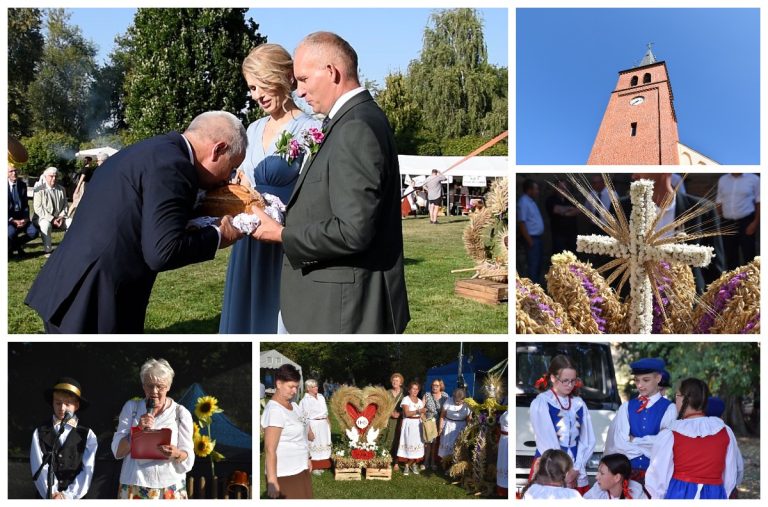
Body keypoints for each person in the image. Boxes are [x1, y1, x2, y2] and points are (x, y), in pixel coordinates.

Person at [25, 111, 246, 333]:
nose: (229, 177)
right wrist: (218, 234)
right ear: (218, 149)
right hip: (95, 300)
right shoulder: (175, 166)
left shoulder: (149, 150)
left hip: (67, 284)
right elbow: (163, 252)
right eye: (232, 166)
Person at [250, 31, 410, 334]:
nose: (297, 90)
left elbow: (353, 231)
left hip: (343, 307)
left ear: (331, 72)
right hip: (339, 301)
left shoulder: (355, 127)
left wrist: (282, 234)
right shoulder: (351, 119)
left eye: (303, 79)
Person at [219, 44, 321, 334]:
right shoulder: (251, 130)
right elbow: (243, 180)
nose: (256, 95)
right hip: (249, 242)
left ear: (282, 78)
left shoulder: (310, 129)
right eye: (251, 88)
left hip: (282, 242)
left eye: (261, 85)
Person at [626, 173, 725, 293]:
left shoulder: (703, 210)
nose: (634, 175)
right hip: (635, 298)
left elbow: (714, 268)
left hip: (688, 299)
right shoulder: (623, 208)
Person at [645, 378, 742, 499]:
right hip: (715, 494)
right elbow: (730, 476)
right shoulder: (725, 431)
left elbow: (657, 478)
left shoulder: (670, 434)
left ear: (684, 399)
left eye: (677, 396)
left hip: (679, 494)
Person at [111, 359, 194, 499]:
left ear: (168, 386)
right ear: (143, 386)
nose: (154, 391)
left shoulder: (180, 413)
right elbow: (117, 452)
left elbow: (188, 456)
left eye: (160, 386)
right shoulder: (131, 408)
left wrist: (176, 453)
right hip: (134, 485)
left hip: (170, 488)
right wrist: (137, 430)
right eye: (149, 386)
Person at [529, 354, 595, 494]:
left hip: (575, 471)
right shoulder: (542, 402)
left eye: (573, 381)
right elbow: (546, 441)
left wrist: (576, 469)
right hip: (550, 470)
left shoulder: (579, 404)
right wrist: (564, 472)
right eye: (565, 381)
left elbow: (587, 440)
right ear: (553, 378)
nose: (570, 385)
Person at [604, 358, 677, 484]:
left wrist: (634, 440)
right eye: (637, 380)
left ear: (658, 379)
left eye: (646, 380)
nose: (640, 385)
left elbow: (664, 444)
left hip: (658, 476)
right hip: (628, 474)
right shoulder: (626, 407)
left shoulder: (669, 408)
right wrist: (649, 445)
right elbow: (620, 445)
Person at [30, 377, 97, 499]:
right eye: (58, 402)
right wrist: (51, 493)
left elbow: (88, 470)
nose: (62, 408)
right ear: (52, 402)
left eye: (67, 403)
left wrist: (67, 496)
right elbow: (38, 465)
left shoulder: (87, 434)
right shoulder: (40, 432)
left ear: (76, 405)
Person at [262, 364, 313, 499]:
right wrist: (272, 481)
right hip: (285, 473)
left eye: (296, 387)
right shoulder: (274, 410)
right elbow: (270, 449)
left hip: (300, 468)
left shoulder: (294, 406)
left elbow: (301, 436)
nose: (295, 391)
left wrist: (307, 457)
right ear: (279, 384)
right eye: (291, 387)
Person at [716, 173, 760, 270]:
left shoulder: (754, 179)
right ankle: (732, 284)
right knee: (730, 256)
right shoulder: (723, 179)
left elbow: (759, 202)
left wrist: (755, 223)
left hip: (746, 222)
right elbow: (719, 202)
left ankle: (750, 283)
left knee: (749, 255)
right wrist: (718, 223)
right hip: (727, 223)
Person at [33, 166, 69, 256]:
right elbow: (38, 208)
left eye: (56, 176)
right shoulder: (39, 189)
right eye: (51, 176)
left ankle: (66, 247)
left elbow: (65, 205)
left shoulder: (62, 189)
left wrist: (61, 216)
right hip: (42, 217)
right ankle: (48, 250)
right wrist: (52, 219)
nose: (54, 178)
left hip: (59, 217)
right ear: (45, 177)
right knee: (46, 225)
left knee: (71, 222)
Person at [299, 379, 331, 475]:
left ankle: (322, 464)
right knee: (314, 444)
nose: (316, 388)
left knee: (324, 443)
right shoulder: (305, 401)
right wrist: (309, 431)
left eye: (316, 386)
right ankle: (314, 467)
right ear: (308, 389)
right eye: (313, 387)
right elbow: (304, 418)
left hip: (323, 424)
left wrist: (328, 422)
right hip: (313, 425)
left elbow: (325, 412)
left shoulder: (321, 397)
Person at [583, 453, 648, 499]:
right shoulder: (597, 490)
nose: (596, 477)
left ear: (617, 478)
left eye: (602, 473)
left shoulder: (636, 492)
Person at [517, 178, 544, 285]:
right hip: (532, 239)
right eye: (536, 189)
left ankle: (537, 286)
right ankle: (534, 289)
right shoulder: (523, 202)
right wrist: (529, 240)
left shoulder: (531, 201)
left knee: (537, 265)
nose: (537, 192)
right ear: (529, 190)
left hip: (537, 238)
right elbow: (521, 223)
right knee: (533, 265)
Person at [8, 164, 38, 257]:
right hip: (9, 219)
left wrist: (25, 218)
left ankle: (13, 246)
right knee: (10, 233)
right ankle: (15, 247)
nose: (14, 173)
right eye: (11, 171)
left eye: (15, 171)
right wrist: (12, 220)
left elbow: (25, 205)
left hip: (22, 218)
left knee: (34, 232)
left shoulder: (22, 185)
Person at [437, 388, 471, 467]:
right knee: (446, 445)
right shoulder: (448, 401)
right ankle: (445, 465)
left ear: (463, 399)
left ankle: (455, 466)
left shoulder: (467, 404)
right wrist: (440, 428)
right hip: (448, 425)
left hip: (460, 427)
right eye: (455, 401)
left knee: (458, 447)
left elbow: (468, 419)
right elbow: (442, 416)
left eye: (459, 401)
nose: (457, 402)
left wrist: (467, 431)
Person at [397, 381, 426, 475]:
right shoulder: (406, 399)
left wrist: (427, 422)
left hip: (418, 425)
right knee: (408, 443)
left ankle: (412, 464)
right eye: (413, 388)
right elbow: (406, 413)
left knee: (417, 445)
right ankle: (407, 464)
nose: (415, 391)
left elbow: (422, 415)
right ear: (409, 390)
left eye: (417, 389)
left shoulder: (420, 401)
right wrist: (418, 410)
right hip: (409, 424)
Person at [546, 179, 579, 255]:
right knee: (560, 259)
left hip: (572, 235)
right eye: (560, 188)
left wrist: (564, 213)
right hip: (559, 236)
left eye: (564, 188)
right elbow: (556, 209)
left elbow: (578, 210)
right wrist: (570, 209)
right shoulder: (550, 199)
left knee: (573, 258)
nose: (563, 190)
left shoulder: (572, 199)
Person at [422, 378, 448, 471]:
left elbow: (447, 410)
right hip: (429, 422)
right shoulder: (427, 395)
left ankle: (433, 461)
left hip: (439, 422)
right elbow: (421, 408)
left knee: (435, 443)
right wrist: (423, 420)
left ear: (441, 386)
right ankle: (425, 461)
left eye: (437, 385)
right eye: (433, 385)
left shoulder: (445, 396)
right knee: (428, 443)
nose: (434, 387)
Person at [382, 373, 405, 471]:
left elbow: (407, 406)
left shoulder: (404, 394)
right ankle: (385, 458)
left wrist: (399, 414)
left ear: (401, 383)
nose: (395, 382)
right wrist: (390, 413)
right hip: (388, 419)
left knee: (398, 439)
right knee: (387, 437)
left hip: (399, 420)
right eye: (393, 380)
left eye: (397, 380)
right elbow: (382, 405)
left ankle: (396, 461)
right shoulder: (387, 393)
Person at [496, 409, 509, 498]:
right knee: (502, 462)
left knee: (507, 463)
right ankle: (501, 488)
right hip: (503, 439)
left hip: (509, 440)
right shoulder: (506, 410)